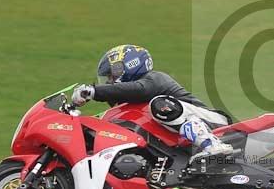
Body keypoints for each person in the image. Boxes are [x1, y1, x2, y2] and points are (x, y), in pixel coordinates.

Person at [71, 44, 233, 160]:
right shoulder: (132, 103)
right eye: (108, 78)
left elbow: (141, 89)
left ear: (131, 64)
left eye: (113, 74)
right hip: (183, 145)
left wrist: (94, 91)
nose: (110, 81)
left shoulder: (155, 78)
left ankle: (211, 143)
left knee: (159, 104)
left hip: (215, 124)